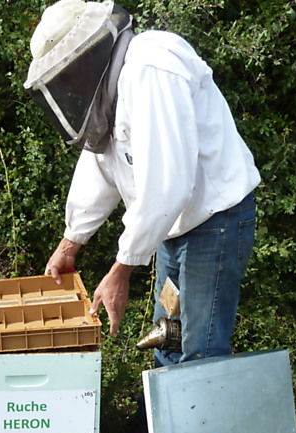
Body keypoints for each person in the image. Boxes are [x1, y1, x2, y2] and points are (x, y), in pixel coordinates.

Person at [24, 0, 260, 367]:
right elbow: (100, 168)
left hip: (216, 222)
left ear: (86, 55)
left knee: (200, 345)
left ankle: (198, 419)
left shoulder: (152, 68)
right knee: (168, 329)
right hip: (171, 226)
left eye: (67, 73)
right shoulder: (110, 93)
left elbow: (167, 184)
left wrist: (122, 271)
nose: (69, 85)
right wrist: (71, 242)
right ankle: (158, 421)